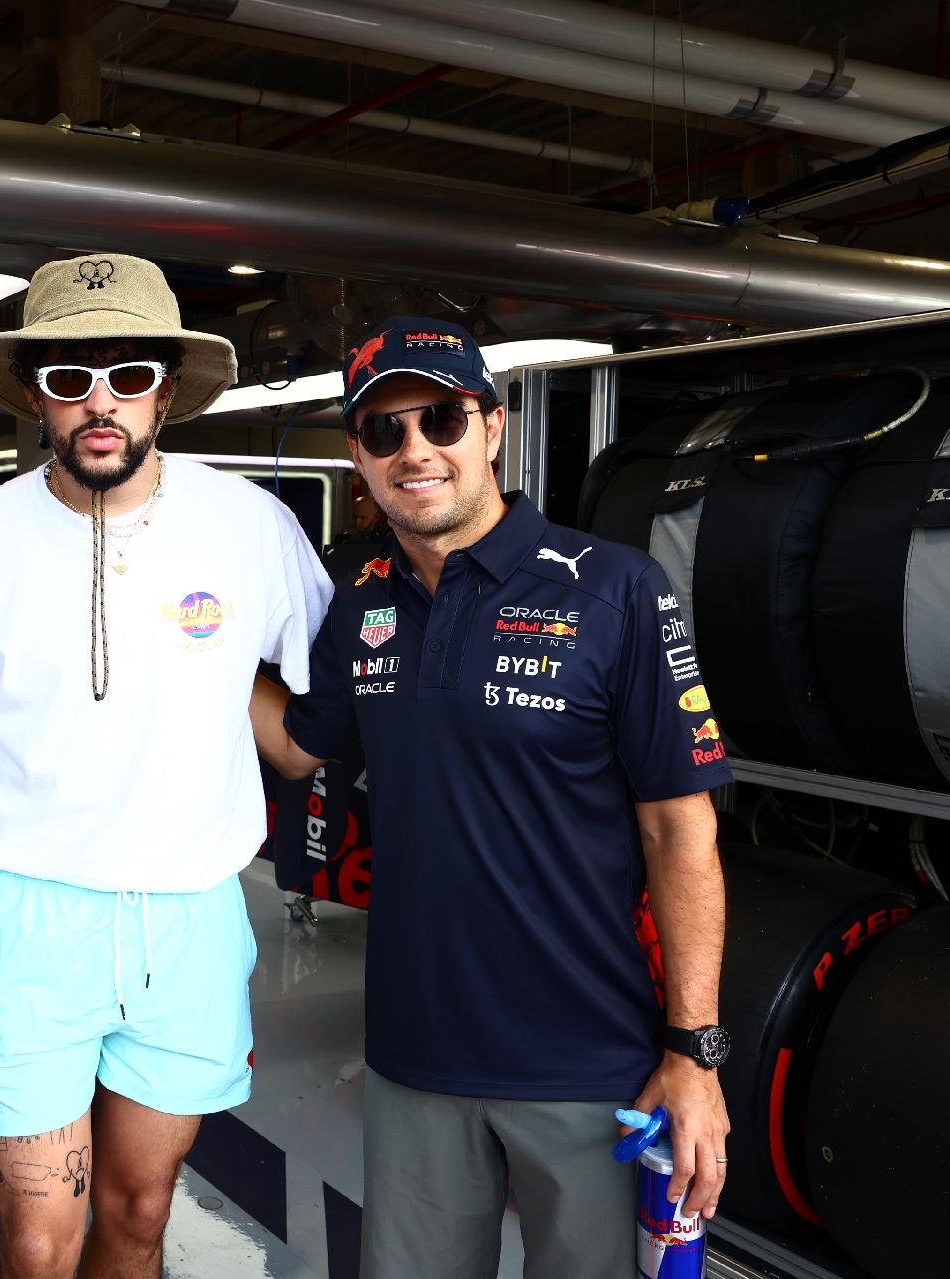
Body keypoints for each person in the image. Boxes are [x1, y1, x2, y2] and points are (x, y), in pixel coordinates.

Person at [249, 316, 732, 1279]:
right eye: (384, 430)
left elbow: (682, 830)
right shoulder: (363, 602)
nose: (415, 449)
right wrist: (197, 643)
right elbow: (298, 748)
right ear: (359, 457)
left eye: (441, 419)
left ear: (493, 428)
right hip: (412, 1060)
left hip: (587, 1067)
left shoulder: (616, 591)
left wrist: (695, 1051)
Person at [0, 253, 332, 1279]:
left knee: (139, 1212)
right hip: (28, 920)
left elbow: (316, 702)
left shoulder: (252, 525)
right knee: (38, 1240)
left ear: (165, 392)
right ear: (34, 394)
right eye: (70, 377)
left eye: (129, 375)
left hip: (189, 918)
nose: (101, 402)